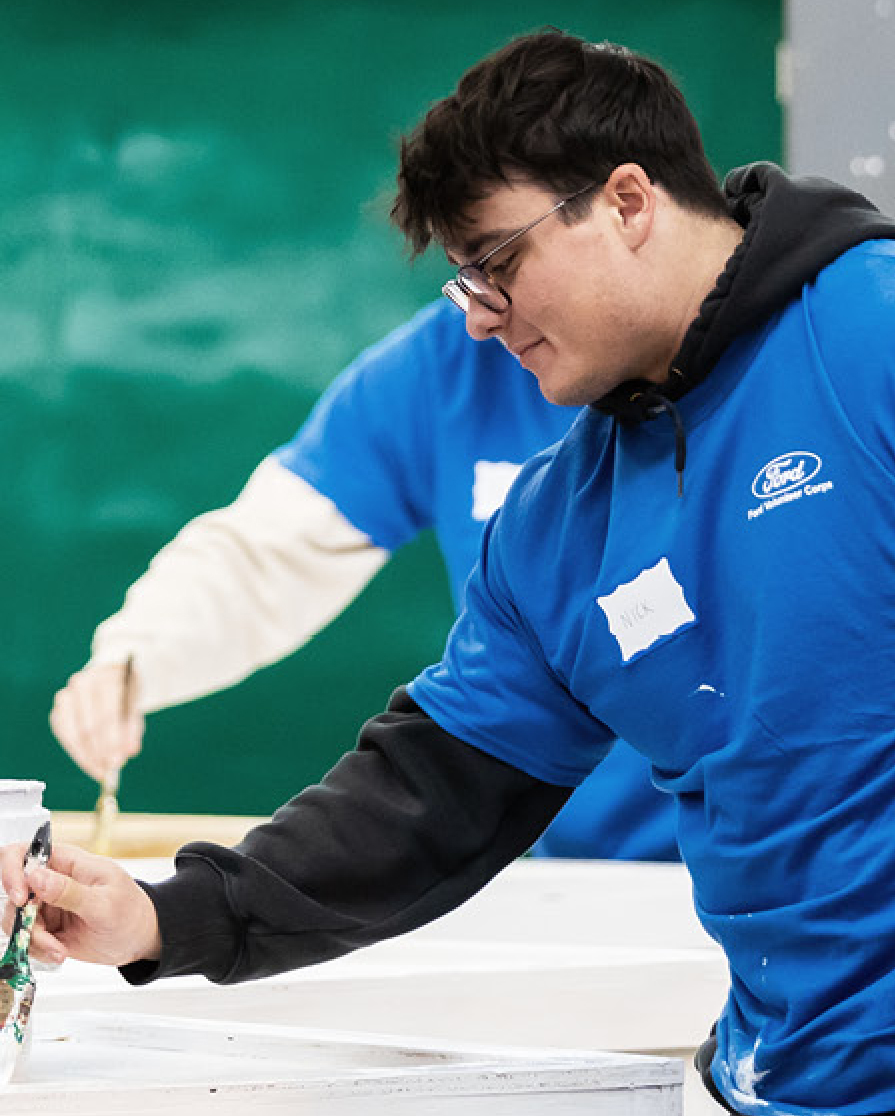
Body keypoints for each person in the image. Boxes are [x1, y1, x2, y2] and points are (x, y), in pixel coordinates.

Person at [10, 30, 895, 1116]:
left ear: (629, 200)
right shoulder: (559, 519)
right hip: (789, 1112)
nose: (481, 314)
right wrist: (168, 915)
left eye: (497, 263)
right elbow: (434, 793)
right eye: (463, 284)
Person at [47, 300, 675, 860]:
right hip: (577, 859)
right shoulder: (449, 362)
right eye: (466, 271)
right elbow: (270, 550)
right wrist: (135, 656)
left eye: (503, 251)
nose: (482, 306)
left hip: (747, 853)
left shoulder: (743, 361)